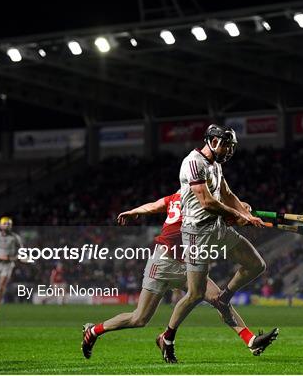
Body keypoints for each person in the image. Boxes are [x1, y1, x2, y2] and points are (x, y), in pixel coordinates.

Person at [81, 191, 277, 361]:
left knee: (219, 300)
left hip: (187, 263)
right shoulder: (199, 203)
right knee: (139, 319)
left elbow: (154, 206)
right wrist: (243, 213)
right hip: (163, 263)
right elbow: (224, 211)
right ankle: (94, 331)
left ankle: (250, 340)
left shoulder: (179, 197)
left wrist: (135, 211)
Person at [158, 124, 277, 363]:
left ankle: (224, 298)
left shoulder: (217, 165)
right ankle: (167, 338)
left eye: (231, 146)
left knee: (255, 265)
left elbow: (226, 193)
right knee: (195, 293)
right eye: (225, 145)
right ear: (211, 141)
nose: (228, 150)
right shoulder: (193, 162)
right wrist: (241, 216)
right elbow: (207, 202)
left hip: (217, 228)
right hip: (196, 233)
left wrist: (242, 207)